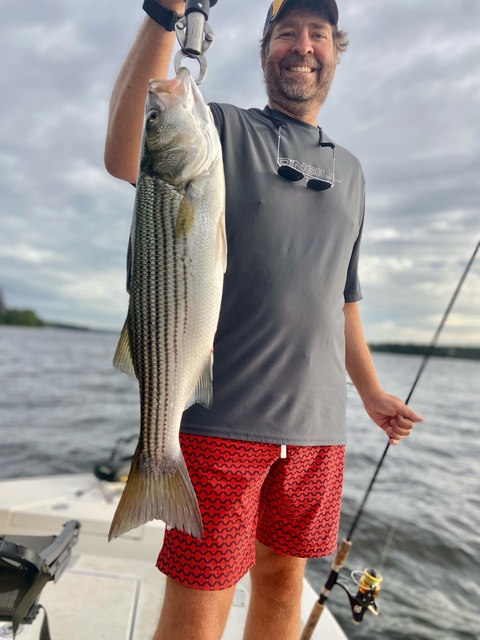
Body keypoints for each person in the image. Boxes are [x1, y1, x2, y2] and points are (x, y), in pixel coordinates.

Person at [104, 1, 423, 639]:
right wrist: (164, 14)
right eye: (286, 33)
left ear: (336, 51)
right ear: (263, 52)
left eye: (318, 33)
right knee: (204, 589)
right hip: (223, 417)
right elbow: (123, 153)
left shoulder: (352, 171)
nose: (303, 45)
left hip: (317, 430)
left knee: (283, 583)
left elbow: (342, 299)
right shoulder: (218, 128)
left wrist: (370, 392)